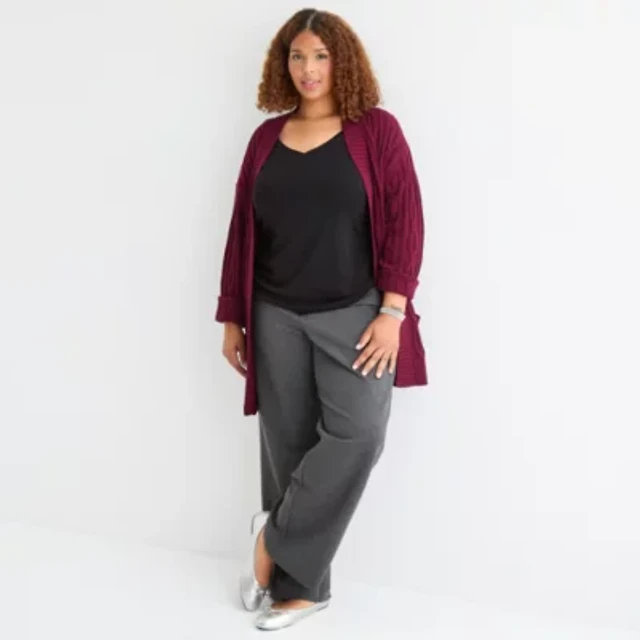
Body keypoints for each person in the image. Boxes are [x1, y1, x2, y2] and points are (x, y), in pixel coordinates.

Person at [215, 8, 428, 631]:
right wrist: (233, 318)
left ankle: (270, 543)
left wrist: (393, 310)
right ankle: (302, 590)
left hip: (356, 314)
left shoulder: (376, 131)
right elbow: (242, 230)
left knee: (359, 434)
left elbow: (407, 222)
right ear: (283, 64)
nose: (308, 69)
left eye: (321, 56)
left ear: (343, 61)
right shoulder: (265, 139)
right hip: (274, 312)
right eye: (297, 56)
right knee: (287, 449)